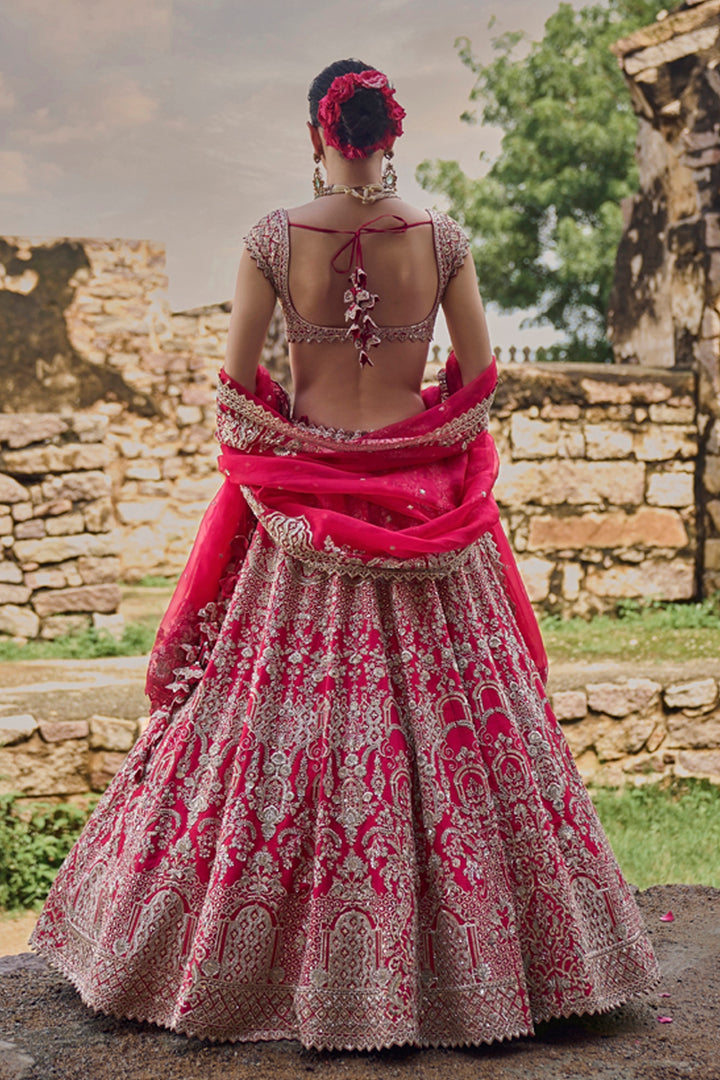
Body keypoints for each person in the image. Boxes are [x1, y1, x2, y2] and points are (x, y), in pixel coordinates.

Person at [30, 59, 659, 1051]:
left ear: (316, 136)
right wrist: (420, 447)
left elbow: (235, 393)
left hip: (303, 526)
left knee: (262, 745)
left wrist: (302, 451)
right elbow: (482, 384)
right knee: (473, 749)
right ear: (388, 132)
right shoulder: (442, 239)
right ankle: (492, 979)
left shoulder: (272, 239)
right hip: (433, 523)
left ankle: (220, 968)